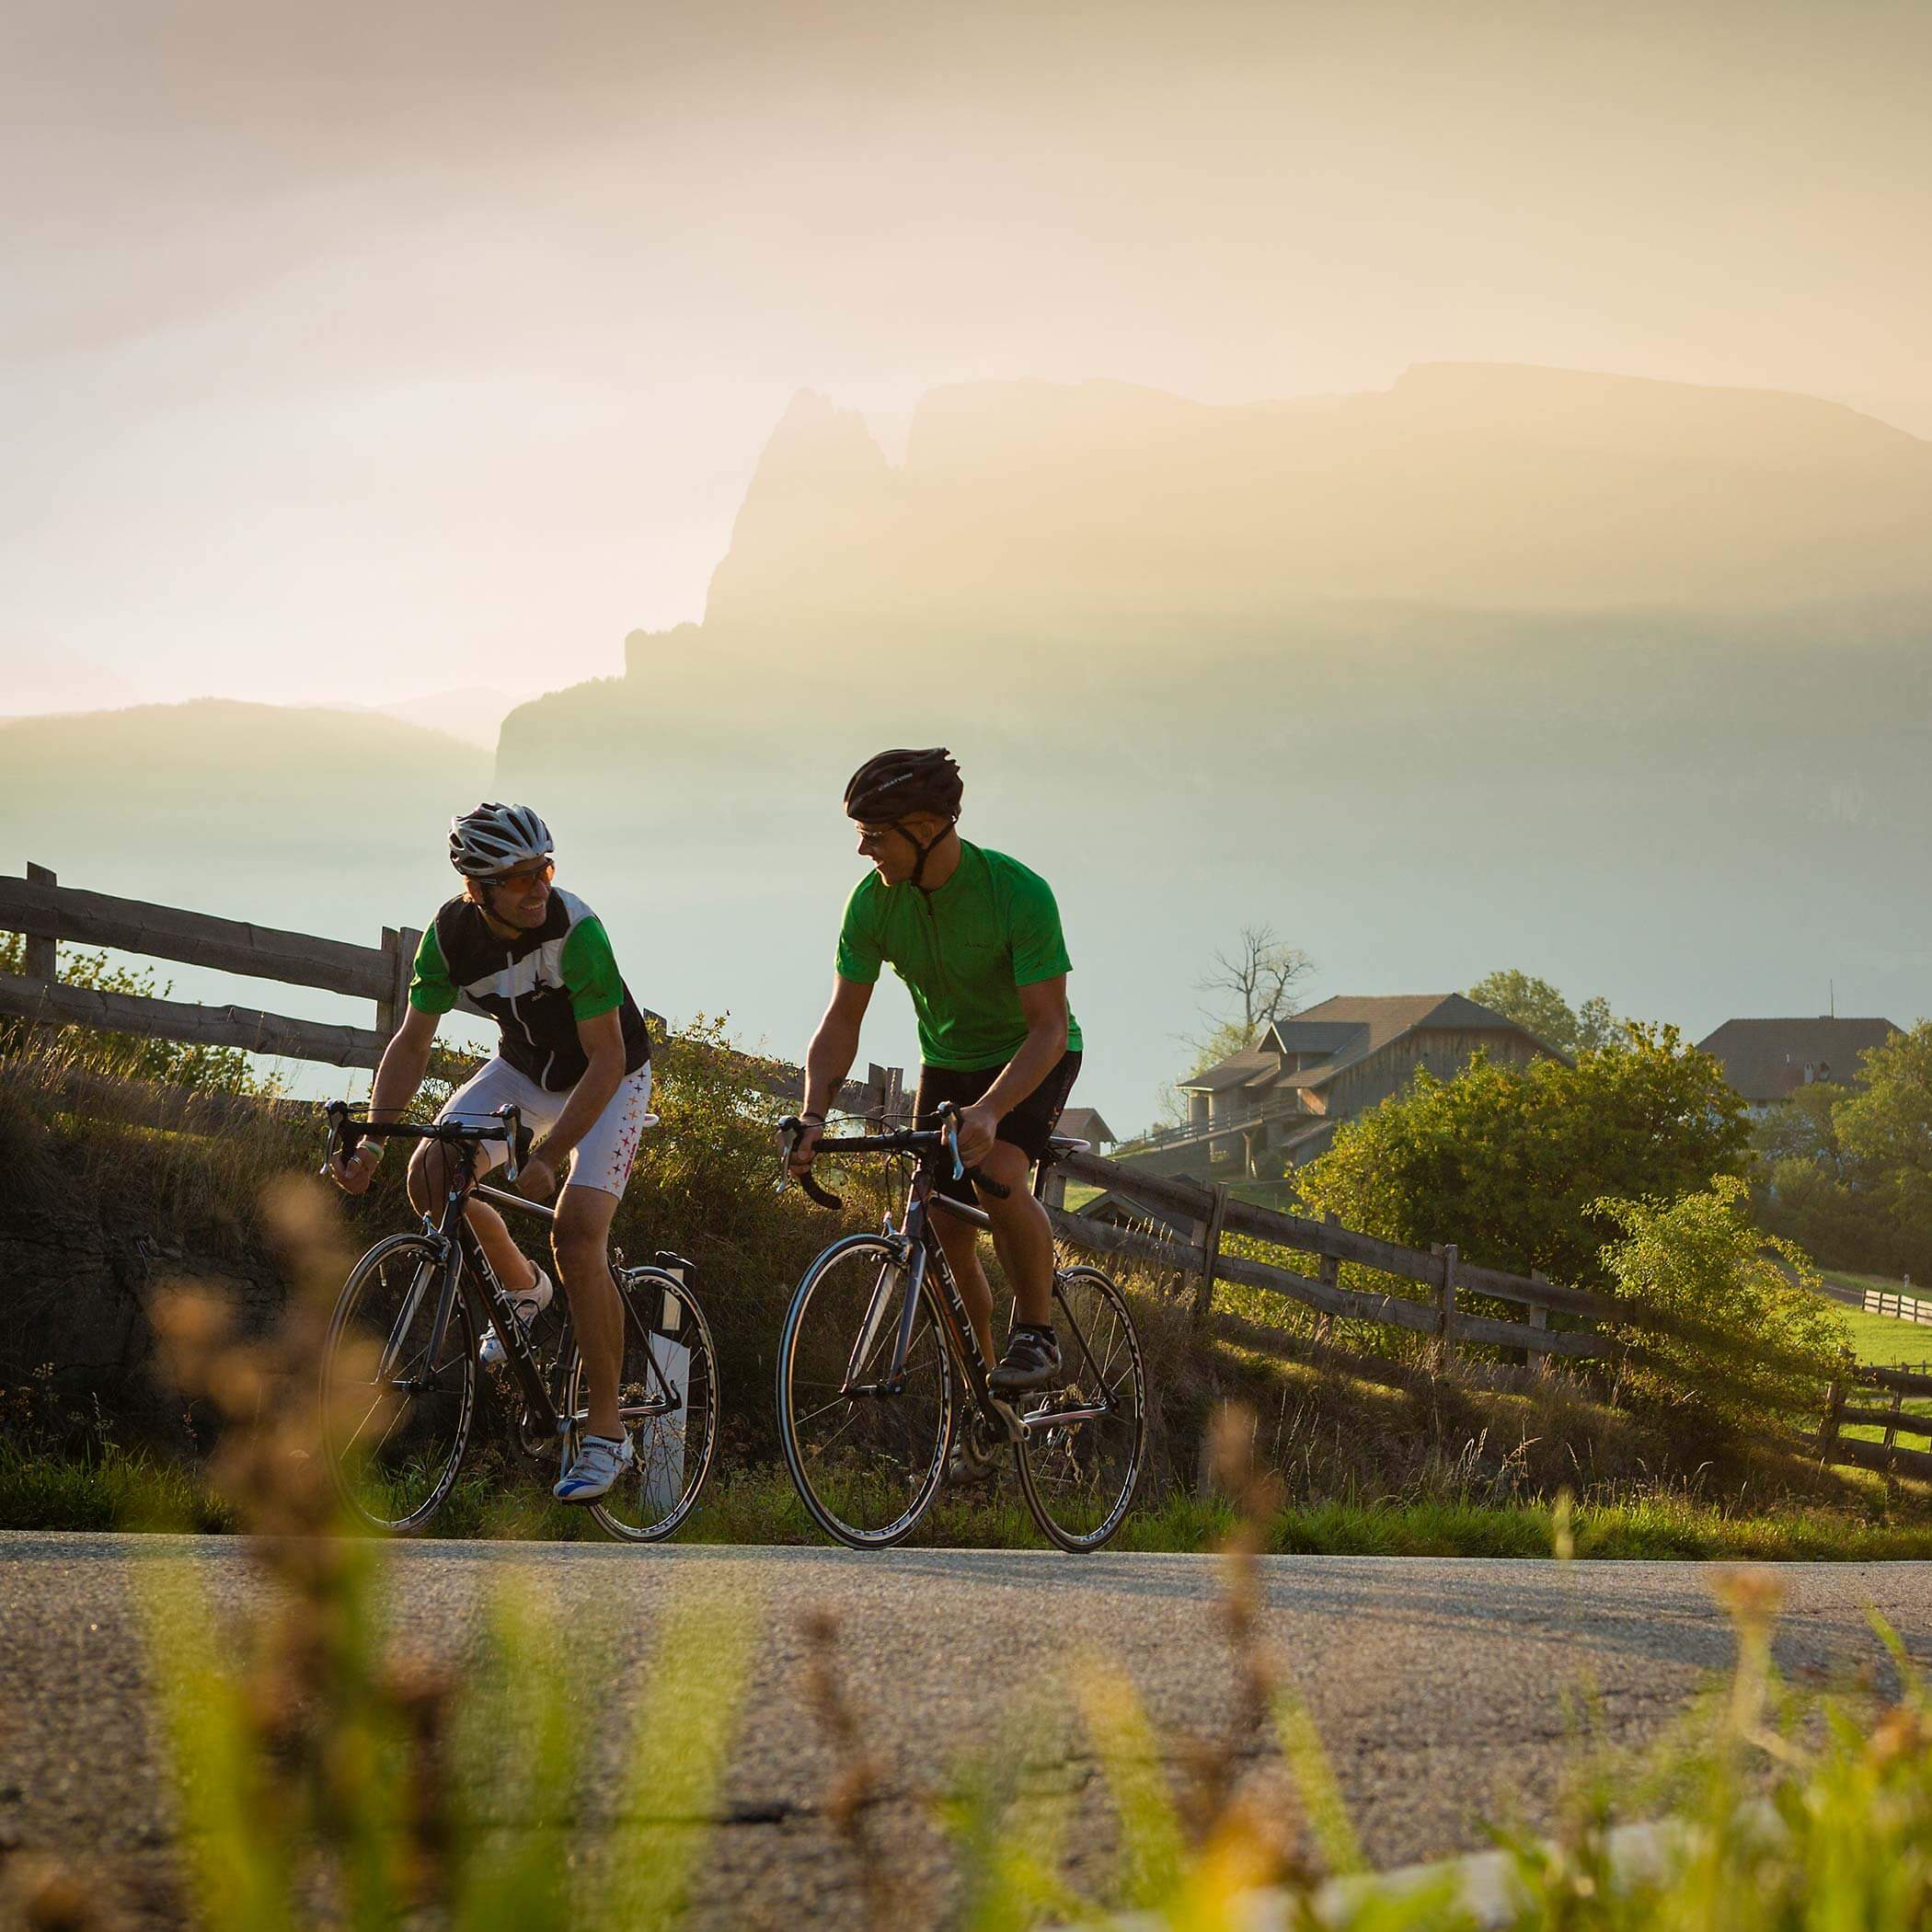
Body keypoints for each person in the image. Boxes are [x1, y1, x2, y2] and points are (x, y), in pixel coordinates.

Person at [327, 802, 654, 1503]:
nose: (539, 888)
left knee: (577, 1235)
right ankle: (523, 1286)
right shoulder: (449, 936)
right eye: (519, 878)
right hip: (524, 1072)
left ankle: (606, 1435)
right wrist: (375, 1142)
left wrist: (549, 1156)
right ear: (478, 889)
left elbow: (606, 1060)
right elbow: (412, 1042)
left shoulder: (577, 931)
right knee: (431, 1177)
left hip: (610, 1079)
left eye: (544, 870)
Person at [788, 749, 1082, 1472]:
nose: (863, 849)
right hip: (948, 1059)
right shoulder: (872, 902)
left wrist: (991, 1111)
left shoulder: (1017, 893)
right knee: (942, 1222)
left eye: (874, 834)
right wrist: (813, 1115)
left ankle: (1037, 1332)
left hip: (1032, 1052)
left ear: (925, 828)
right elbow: (841, 1021)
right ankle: (990, 1394)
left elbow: (1049, 1028)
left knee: (999, 1169)